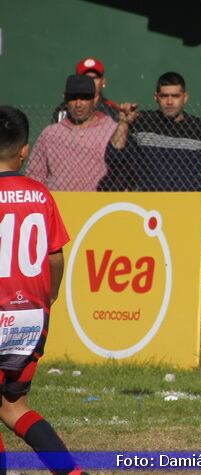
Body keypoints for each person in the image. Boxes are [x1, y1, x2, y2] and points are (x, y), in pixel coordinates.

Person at [0, 106, 85, 475]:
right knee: (13, 406)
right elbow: (55, 258)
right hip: (33, 317)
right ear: (24, 151)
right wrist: (49, 297)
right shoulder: (40, 194)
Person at [106, 71, 201, 191]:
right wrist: (123, 123)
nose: (170, 102)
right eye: (164, 96)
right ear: (156, 97)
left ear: (185, 97)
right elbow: (114, 157)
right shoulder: (142, 122)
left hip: (191, 206)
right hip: (150, 206)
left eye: (175, 96)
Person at [25, 75, 118, 191]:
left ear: (95, 98)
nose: (78, 104)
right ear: (65, 98)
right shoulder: (50, 134)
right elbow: (34, 176)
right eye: (73, 98)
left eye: (84, 98)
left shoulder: (111, 130)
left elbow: (124, 173)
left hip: (99, 206)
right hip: (59, 204)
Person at [53, 57, 120, 123]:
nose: (91, 82)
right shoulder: (63, 110)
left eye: (95, 78)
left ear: (103, 81)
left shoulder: (113, 111)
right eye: (86, 78)